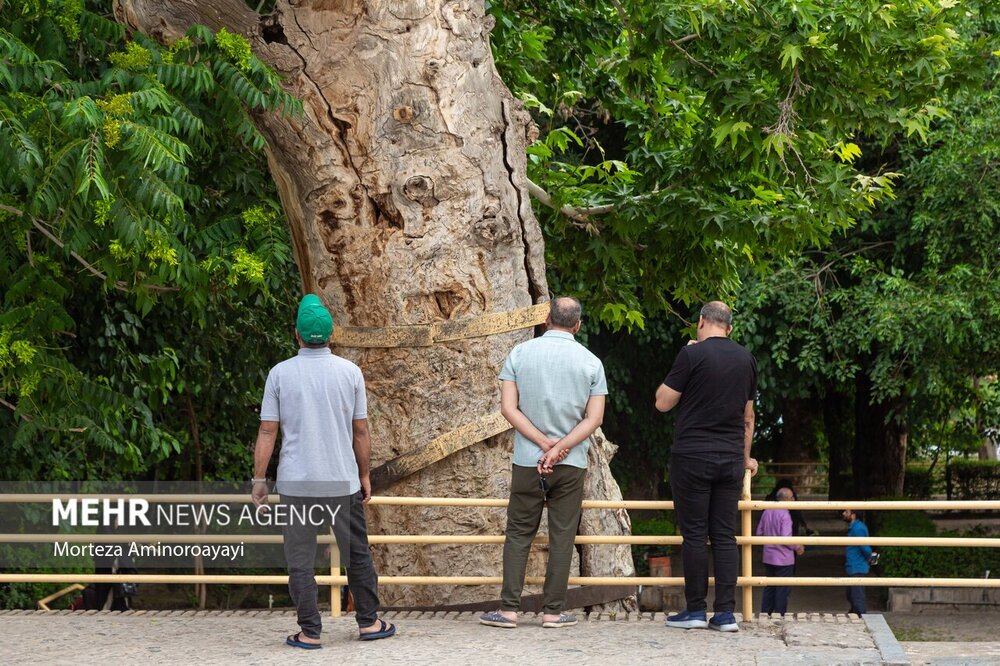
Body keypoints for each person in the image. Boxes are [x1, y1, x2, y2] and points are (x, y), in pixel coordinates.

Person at [252, 294, 396, 649]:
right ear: (331, 335)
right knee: (356, 554)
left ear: (297, 335)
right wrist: (364, 475)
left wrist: (259, 480)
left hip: (297, 483)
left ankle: (310, 632)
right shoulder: (350, 372)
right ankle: (368, 622)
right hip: (341, 480)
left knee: (300, 560)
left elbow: (267, 431)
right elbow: (360, 430)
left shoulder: (280, 373)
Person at [480, 296, 607, 630]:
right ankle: (552, 612)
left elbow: (509, 409)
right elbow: (594, 419)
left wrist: (542, 444)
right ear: (577, 325)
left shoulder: (520, 354)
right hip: (571, 462)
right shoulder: (591, 362)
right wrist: (561, 447)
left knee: (519, 533)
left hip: (527, 460)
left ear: (547, 318)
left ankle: (508, 610)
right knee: (563, 536)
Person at [654, 301, 758, 633]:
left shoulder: (691, 355)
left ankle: (696, 611)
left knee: (695, 535)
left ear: (701, 322)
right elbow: (748, 418)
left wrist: (684, 356)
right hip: (730, 459)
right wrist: (744, 458)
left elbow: (662, 402)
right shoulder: (747, 359)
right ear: (729, 328)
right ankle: (726, 614)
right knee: (726, 536)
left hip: (692, 456)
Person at [756, 487, 804, 617]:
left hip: (768, 557)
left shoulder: (767, 511)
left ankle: (765, 614)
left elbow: (759, 534)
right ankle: (780, 615)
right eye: (792, 497)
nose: (794, 500)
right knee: (782, 589)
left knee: (769, 587)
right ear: (786, 499)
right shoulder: (785, 514)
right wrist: (798, 546)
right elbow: (785, 538)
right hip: (784, 559)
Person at [843, 508, 876, 617]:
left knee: (857, 595)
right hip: (854, 566)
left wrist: (872, 559)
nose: (844, 513)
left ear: (853, 515)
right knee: (852, 594)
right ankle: (855, 614)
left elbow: (865, 548)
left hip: (857, 566)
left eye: (846, 512)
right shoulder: (856, 527)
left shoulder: (857, 529)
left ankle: (860, 617)